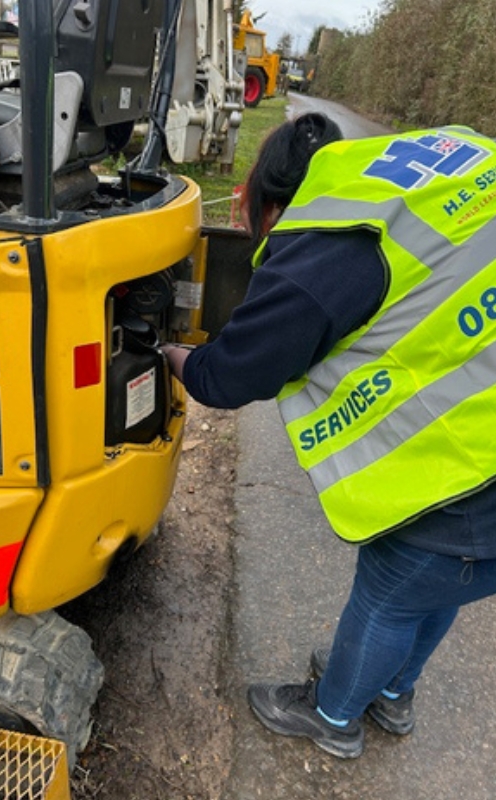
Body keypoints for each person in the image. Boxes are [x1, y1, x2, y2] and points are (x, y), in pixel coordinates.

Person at [161, 112, 496, 759]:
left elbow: (228, 378)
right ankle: (393, 694)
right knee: (444, 584)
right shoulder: (417, 170)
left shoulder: (324, 246)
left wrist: (178, 358)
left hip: (471, 471)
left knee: (392, 597)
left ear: (265, 202)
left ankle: (335, 717)